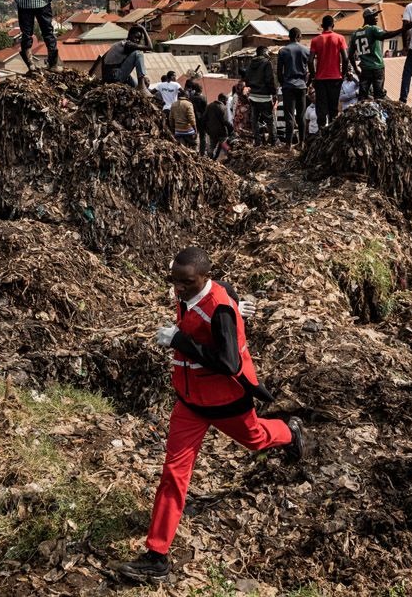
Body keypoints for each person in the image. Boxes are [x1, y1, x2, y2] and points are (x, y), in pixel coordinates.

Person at [116, 247, 304, 583]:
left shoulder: (219, 312)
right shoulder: (196, 291)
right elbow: (227, 290)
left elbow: (230, 364)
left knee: (257, 439)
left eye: (185, 283)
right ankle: (157, 556)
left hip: (226, 402)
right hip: (189, 404)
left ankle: (290, 433)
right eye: (174, 281)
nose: (178, 289)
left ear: (204, 277)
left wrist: (183, 340)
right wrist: (237, 303)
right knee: (173, 473)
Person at [349, 9, 402, 100]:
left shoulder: (355, 34)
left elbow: (350, 55)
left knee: (363, 96)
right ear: (368, 18)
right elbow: (385, 35)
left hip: (365, 69)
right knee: (378, 95)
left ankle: (362, 113)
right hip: (377, 68)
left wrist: (356, 69)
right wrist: (403, 29)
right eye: (374, 16)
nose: (376, 18)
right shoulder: (373, 29)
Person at [308, 15, 349, 128]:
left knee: (321, 109)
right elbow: (345, 58)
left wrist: (313, 77)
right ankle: (332, 132)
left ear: (322, 26)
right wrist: (343, 74)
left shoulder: (315, 40)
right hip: (335, 78)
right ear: (333, 25)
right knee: (333, 109)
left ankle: (321, 132)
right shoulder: (340, 38)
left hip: (320, 80)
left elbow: (310, 61)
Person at [277, 27, 310, 149]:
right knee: (301, 115)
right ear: (298, 36)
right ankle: (301, 143)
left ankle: (288, 144)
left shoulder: (283, 51)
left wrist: (283, 83)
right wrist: (307, 82)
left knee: (289, 116)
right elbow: (311, 69)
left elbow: (279, 72)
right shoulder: (306, 50)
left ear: (289, 36)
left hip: (288, 86)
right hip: (301, 86)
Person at [243, 46, 276, 146]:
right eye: (267, 53)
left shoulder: (251, 64)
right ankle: (273, 141)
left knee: (254, 119)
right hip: (265, 96)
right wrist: (273, 92)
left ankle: (257, 141)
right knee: (269, 119)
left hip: (253, 96)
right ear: (264, 53)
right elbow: (269, 80)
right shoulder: (267, 63)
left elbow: (247, 79)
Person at [203, 93, 234, 159]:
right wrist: (231, 128)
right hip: (222, 132)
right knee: (224, 144)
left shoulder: (209, 106)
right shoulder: (223, 107)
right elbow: (225, 121)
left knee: (212, 146)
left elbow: (204, 118)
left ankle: (209, 160)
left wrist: (207, 129)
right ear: (222, 99)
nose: (226, 102)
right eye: (226, 100)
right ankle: (230, 157)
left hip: (211, 132)